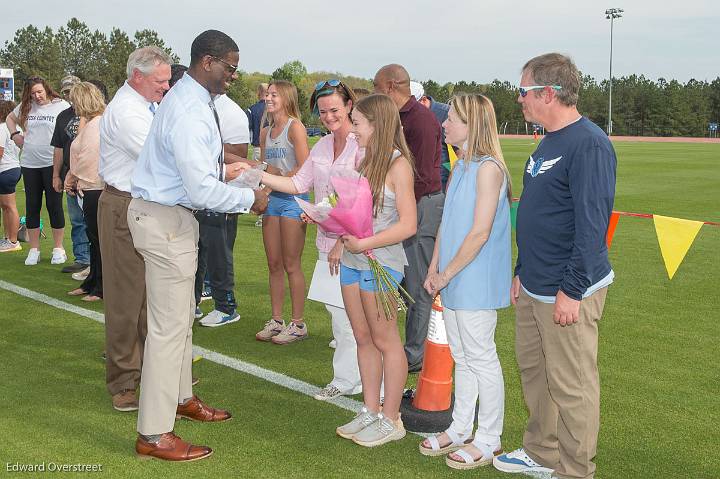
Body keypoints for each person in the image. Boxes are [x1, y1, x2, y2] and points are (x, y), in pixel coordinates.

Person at [129, 29, 267, 462]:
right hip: (166, 219)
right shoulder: (189, 107)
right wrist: (250, 197)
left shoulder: (192, 100)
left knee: (180, 320)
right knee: (169, 330)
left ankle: (182, 397)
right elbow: (201, 191)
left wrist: (229, 176)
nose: (233, 76)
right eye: (230, 67)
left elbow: (195, 176)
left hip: (170, 215)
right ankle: (153, 434)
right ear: (207, 62)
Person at [493, 53, 616, 479]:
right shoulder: (547, 141)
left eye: (523, 91)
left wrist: (573, 289)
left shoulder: (589, 143)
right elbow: (536, 211)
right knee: (535, 372)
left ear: (549, 92)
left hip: (567, 287)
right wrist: (521, 270)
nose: (519, 100)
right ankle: (541, 452)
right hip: (535, 283)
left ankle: (575, 470)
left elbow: (592, 224)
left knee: (572, 385)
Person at [240, 79, 363, 400]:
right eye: (322, 112)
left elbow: (359, 196)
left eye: (334, 110)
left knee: (357, 319)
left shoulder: (361, 144)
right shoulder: (322, 146)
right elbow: (297, 184)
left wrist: (329, 219)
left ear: (349, 106)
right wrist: (250, 174)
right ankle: (348, 380)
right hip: (328, 244)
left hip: (354, 245)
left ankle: (360, 381)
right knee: (338, 314)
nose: (328, 117)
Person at [419, 93, 512, 469]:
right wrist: (433, 268)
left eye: (452, 119)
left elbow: (479, 232)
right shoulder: (460, 167)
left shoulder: (489, 168)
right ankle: (460, 428)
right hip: (453, 276)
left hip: (475, 279)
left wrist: (446, 272)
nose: (444, 124)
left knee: (481, 358)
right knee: (462, 357)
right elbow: (447, 224)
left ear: (472, 125)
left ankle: (489, 439)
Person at [335, 94, 416, 447]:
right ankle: (370, 409)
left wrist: (365, 244)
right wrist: (337, 229)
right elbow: (352, 209)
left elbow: (408, 225)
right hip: (354, 260)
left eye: (357, 123)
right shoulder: (363, 158)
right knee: (362, 336)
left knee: (386, 340)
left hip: (381, 262)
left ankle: (391, 417)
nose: (352, 131)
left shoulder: (399, 166)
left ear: (376, 125)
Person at [98, 46, 172, 412]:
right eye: (161, 80)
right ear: (137, 76)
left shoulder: (146, 104)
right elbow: (159, 158)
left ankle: (149, 370)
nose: (167, 86)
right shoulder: (127, 111)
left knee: (152, 295)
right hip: (124, 204)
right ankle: (124, 380)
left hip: (144, 205)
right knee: (127, 299)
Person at [373, 64, 443, 373]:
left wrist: (393, 211)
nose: (375, 92)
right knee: (402, 280)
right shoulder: (400, 119)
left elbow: (421, 176)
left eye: (376, 87)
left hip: (421, 207)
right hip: (408, 206)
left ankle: (414, 355)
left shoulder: (422, 121)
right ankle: (406, 347)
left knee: (417, 286)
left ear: (389, 87)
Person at [253, 80, 310, 345]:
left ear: (286, 97)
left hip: (292, 199)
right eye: (267, 94)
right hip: (273, 199)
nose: (269, 97)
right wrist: (260, 191)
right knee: (273, 263)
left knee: (291, 263)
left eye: (274, 94)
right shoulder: (265, 132)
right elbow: (265, 167)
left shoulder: (295, 127)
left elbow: (304, 168)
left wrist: (278, 178)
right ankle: (277, 320)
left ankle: (298, 323)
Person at [195, 91, 251, 327]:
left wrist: (207, 151)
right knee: (196, 253)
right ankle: (193, 302)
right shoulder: (195, 105)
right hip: (197, 194)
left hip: (222, 194)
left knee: (219, 253)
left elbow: (240, 157)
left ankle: (226, 306)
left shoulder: (232, 111)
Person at [5, 77, 70, 266]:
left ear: (47, 89)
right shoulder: (26, 106)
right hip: (29, 163)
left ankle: (59, 248)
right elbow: (10, 118)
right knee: (32, 205)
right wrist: (15, 135)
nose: (37, 96)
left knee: (54, 205)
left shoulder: (60, 105)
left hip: (52, 164)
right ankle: (34, 249)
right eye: (33, 93)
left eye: (40, 92)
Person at [64, 82, 106, 302]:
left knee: (98, 240)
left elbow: (89, 158)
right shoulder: (91, 123)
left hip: (95, 188)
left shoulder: (97, 124)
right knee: (93, 238)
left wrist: (73, 176)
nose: (73, 105)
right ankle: (92, 282)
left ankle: (101, 287)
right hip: (89, 187)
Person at [52, 74, 91, 275]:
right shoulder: (63, 116)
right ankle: (82, 258)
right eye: (66, 91)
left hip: (89, 175)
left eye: (72, 90)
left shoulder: (93, 114)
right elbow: (59, 148)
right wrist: (56, 175)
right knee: (76, 220)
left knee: (91, 220)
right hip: (69, 173)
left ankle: (95, 262)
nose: (69, 95)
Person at [417, 88, 452, 192]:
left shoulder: (446, 113)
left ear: (423, 100)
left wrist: (449, 189)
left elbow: (460, 152)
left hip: (439, 188)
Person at [0, 100, 22, 252]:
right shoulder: (16, 128)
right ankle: (8, 238)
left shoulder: (2, 128)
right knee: (6, 207)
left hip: (6, 169)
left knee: (9, 206)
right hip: (13, 167)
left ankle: (13, 241)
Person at [247, 82, 268, 161]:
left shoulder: (252, 109)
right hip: (274, 148)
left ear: (258, 93)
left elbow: (248, 128)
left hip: (258, 148)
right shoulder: (275, 108)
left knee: (258, 172)